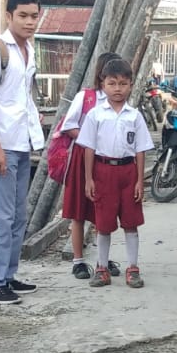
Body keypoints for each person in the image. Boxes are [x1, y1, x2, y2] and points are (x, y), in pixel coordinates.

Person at [0, 0, 44, 306]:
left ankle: (8, 275)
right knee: (1, 216)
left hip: (21, 143)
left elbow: (23, 99)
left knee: (18, 215)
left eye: (34, 16)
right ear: (9, 16)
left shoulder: (28, 50)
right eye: (23, 16)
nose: (30, 22)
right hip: (0, 143)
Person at [78, 58, 154, 288]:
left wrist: (140, 181)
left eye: (123, 83)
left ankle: (132, 267)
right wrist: (89, 178)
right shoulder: (95, 115)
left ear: (130, 84)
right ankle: (102, 268)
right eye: (112, 83)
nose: (117, 89)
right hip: (103, 171)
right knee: (103, 223)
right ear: (103, 85)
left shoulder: (135, 116)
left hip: (128, 171)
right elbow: (89, 148)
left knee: (131, 222)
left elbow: (140, 150)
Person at [59, 52, 124, 280]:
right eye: (111, 76)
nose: (115, 83)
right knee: (78, 210)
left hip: (106, 161)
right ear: (101, 75)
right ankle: (78, 261)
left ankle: (102, 260)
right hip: (82, 158)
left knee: (103, 210)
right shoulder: (85, 97)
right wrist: (92, 138)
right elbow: (68, 126)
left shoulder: (118, 101)